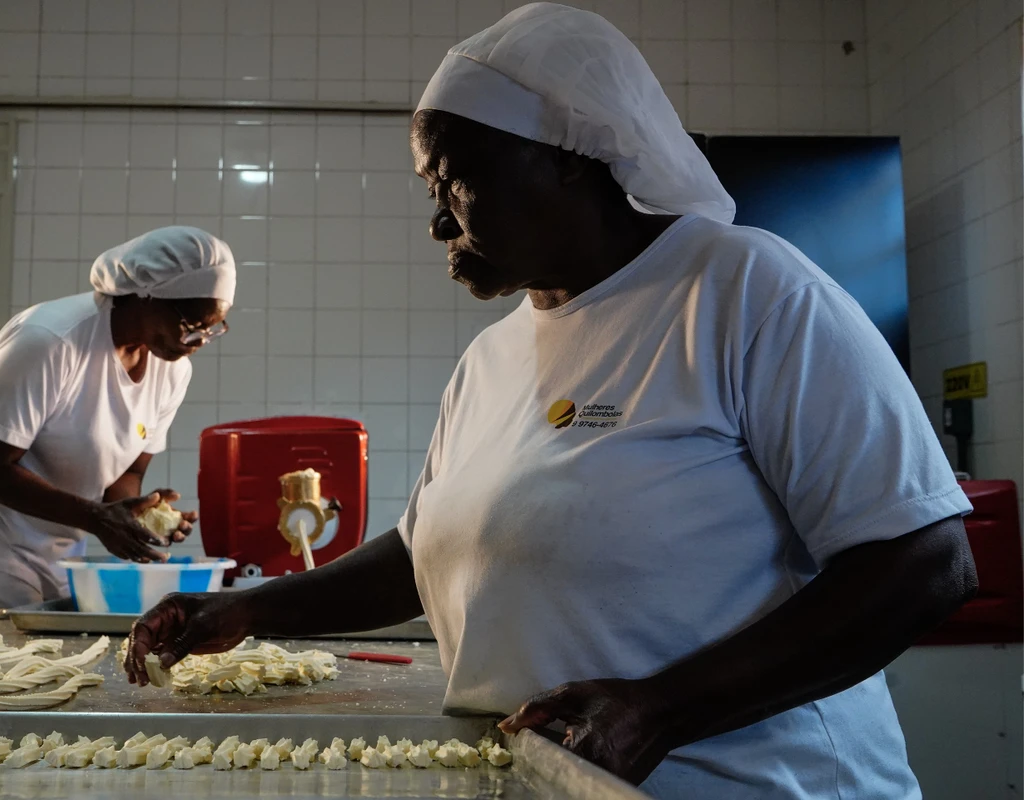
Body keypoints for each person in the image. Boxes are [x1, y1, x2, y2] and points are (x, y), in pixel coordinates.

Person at [124, 7, 976, 799]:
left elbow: (923, 562)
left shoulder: (743, 290)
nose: (437, 225)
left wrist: (663, 708)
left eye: (456, 184)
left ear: (570, 157)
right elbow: (423, 552)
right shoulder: (491, 357)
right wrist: (247, 608)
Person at [0, 226, 235, 614]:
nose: (197, 342)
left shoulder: (172, 371)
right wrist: (97, 519)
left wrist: (141, 513)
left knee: (56, 655)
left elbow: (123, 477)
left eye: (212, 329)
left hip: (57, 542)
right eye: (190, 324)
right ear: (148, 294)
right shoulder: (48, 340)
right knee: (12, 662)